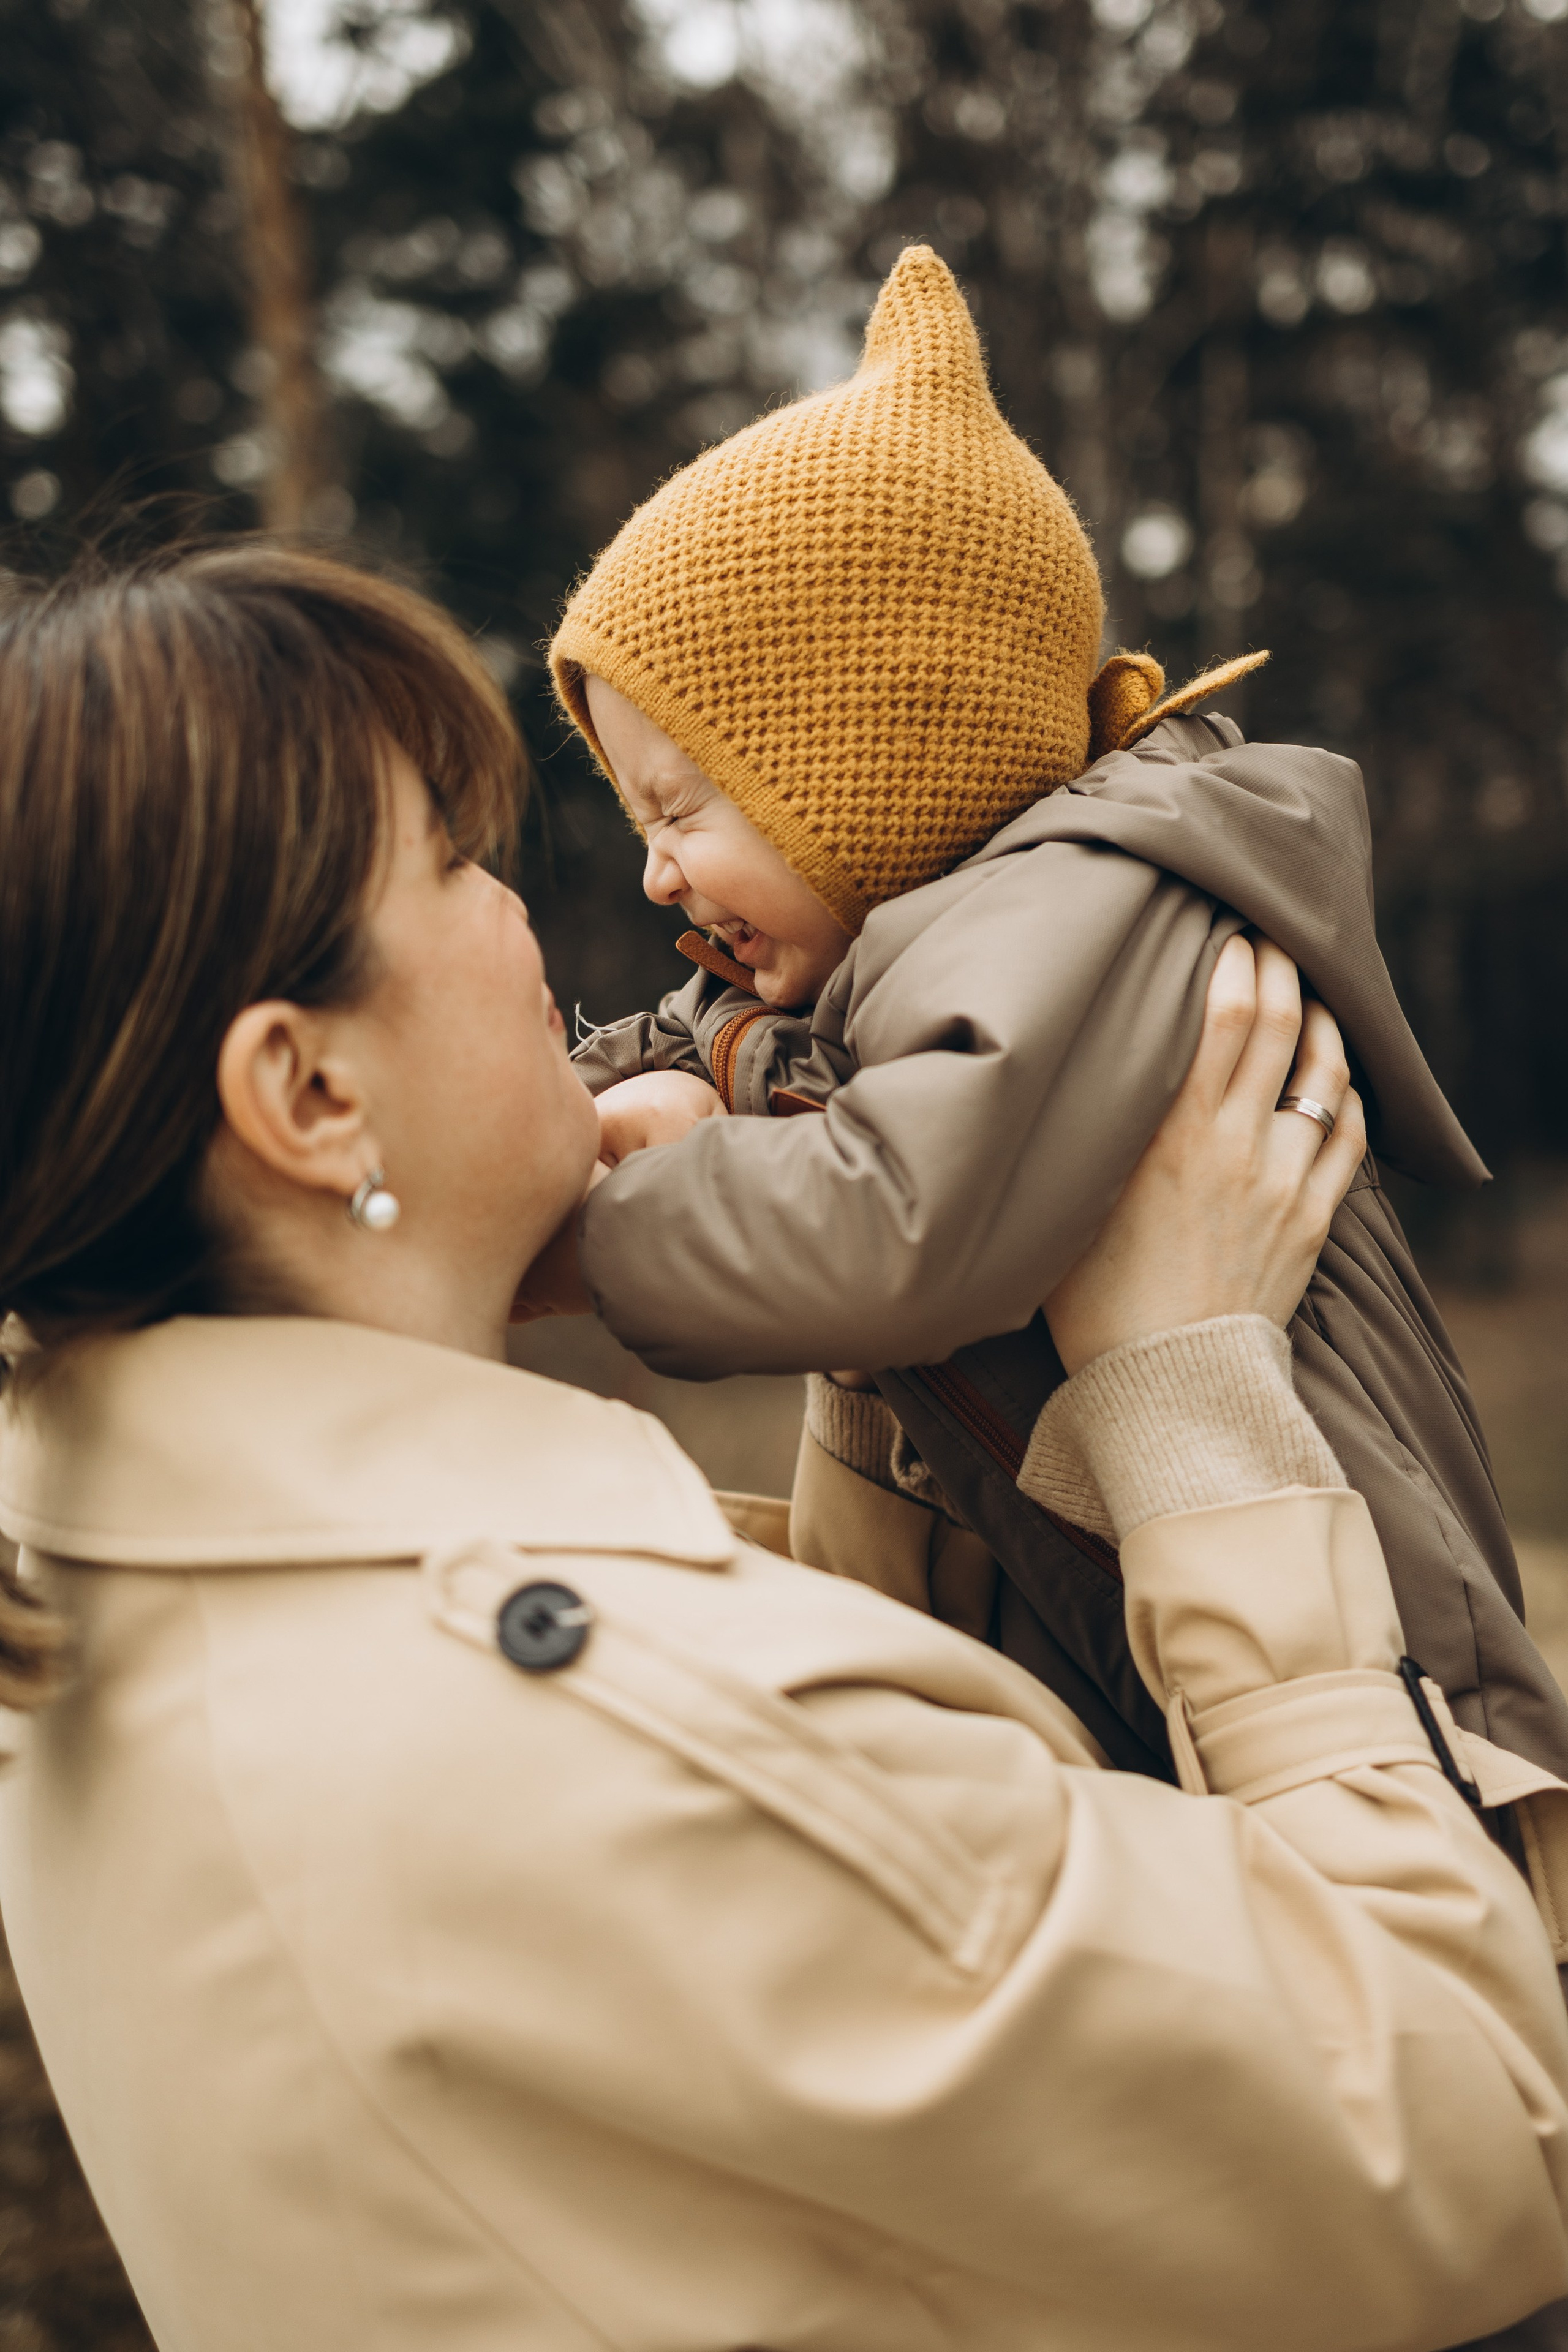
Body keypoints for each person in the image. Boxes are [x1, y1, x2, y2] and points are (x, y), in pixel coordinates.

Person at [2, 546, 1568, 2352]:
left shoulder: (119, 1602)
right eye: (451, 860)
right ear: (306, 1094)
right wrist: (1184, 1390)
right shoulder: (615, 1740)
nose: (533, 912)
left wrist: (888, 1327)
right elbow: (1475, 2130)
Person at [540, 243, 1568, 1804]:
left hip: (1386, 1671)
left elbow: (904, 1227)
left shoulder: (1090, 905)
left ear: (876, 751)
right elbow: (712, 1041)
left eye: (682, 803)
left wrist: (602, 1216)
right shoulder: (909, 944)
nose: (651, 863)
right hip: (1160, 1636)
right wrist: (560, 1093)